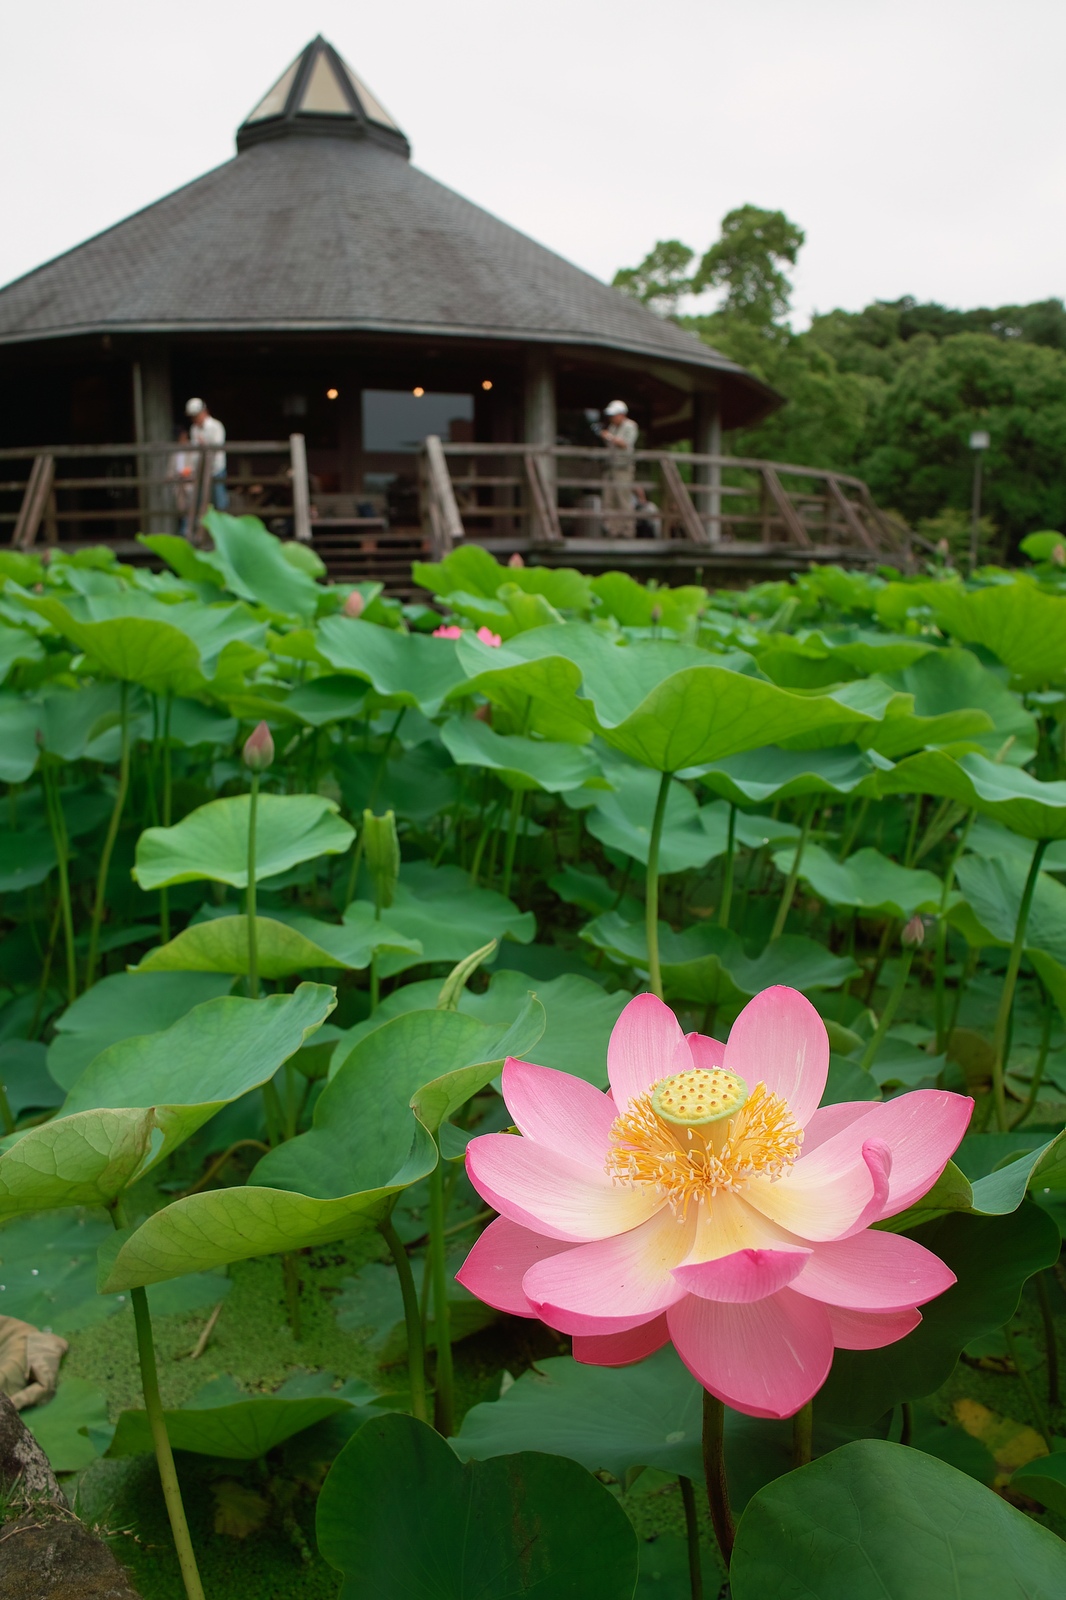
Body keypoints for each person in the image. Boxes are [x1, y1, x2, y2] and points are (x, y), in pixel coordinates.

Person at [599, 400, 639, 538]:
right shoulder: (612, 427)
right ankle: (612, 530)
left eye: (614, 415)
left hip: (623, 468)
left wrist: (609, 437)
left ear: (622, 414)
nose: (611, 418)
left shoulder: (630, 426)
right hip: (610, 467)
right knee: (609, 499)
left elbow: (624, 444)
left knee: (623, 499)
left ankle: (627, 531)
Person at [185, 398, 228, 512]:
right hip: (200, 470)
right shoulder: (194, 429)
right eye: (192, 416)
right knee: (199, 501)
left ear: (204, 412)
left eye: (196, 415)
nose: (195, 419)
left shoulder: (216, 426)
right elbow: (194, 451)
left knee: (220, 501)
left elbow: (217, 448)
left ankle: (222, 527)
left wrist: (204, 445)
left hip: (216, 469)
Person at [167, 428, 194, 539]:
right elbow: (170, 468)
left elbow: (195, 465)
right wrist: (170, 476)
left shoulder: (192, 449)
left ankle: (189, 531)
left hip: (189, 481)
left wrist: (189, 472)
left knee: (191, 506)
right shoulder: (175, 451)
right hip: (178, 482)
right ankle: (183, 531)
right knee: (181, 508)